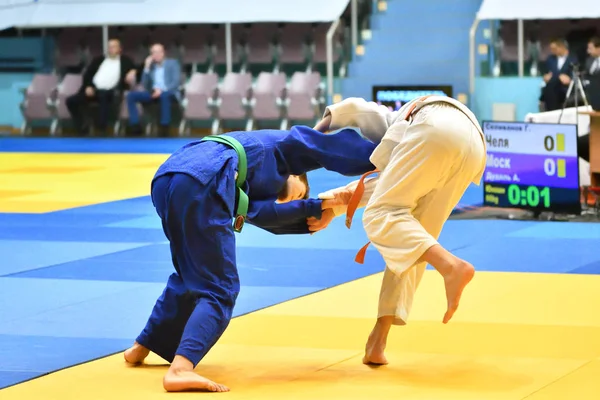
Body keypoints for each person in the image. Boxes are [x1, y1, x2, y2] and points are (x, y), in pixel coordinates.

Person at [123, 125, 377, 392]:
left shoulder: (251, 181)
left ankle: (143, 346)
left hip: (170, 177)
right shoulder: (284, 147)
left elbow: (265, 216)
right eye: (299, 193)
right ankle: (180, 369)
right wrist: (380, 157)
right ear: (296, 173)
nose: (292, 199)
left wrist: (316, 209)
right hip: (204, 180)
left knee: (191, 274)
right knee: (220, 289)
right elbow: (325, 145)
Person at [309, 95, 487, 366]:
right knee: (412, 242)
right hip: (473, 147)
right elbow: (385, 187)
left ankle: (450, 266)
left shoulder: (391, 120)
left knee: (381, 216)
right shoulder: (407, 139)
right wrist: (333, 207)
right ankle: (378, 342)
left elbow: (355, 108)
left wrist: (309, 137)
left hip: (436, 126)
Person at [66, 38, 135, 135]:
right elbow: (88, 75)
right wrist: (88, 86)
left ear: (120, 49)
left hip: (112, 91)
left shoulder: (126, 61)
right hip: (93, 90)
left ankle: (101, 128)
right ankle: (81, 126)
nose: (111, 49)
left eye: (113, 46)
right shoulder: (98, 60)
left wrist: (133, 71)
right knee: (71, 101)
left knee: (103, 95)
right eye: (109, 47)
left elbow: (137, 69)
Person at [126, 43, 182, 137]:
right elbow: (145, 84)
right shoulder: (151, 66)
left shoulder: (172, 63)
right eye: (153, 53)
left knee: (164, 95)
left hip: (170, 92)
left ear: (163, 53)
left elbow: (175, 83)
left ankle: (164, 127)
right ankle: (135, 125)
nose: (155, 55)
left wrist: (161, 90)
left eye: (158, 52)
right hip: (153, 93)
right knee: (131, 96)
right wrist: (146, 68)